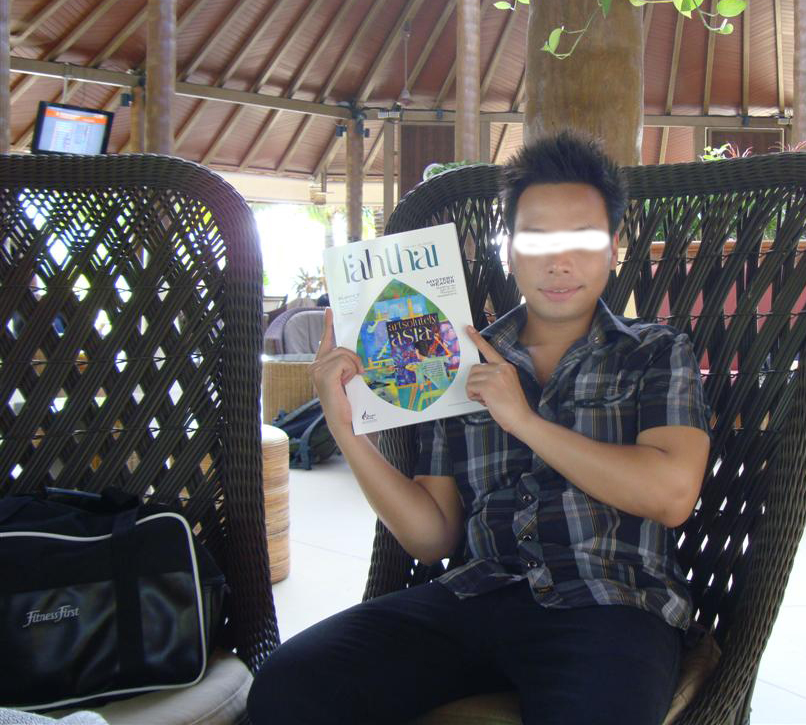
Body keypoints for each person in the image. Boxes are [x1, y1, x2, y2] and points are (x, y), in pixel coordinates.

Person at [247, 132, 711, 725]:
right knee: (289, 688)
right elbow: (433, 537)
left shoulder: (655, 351)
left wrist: (524, 421)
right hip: (474, 596)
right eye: (536, 239)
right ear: (509, 251)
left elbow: (670, 494)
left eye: (583, 239)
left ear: (614, 248)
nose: (559, 262)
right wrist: (346, 431)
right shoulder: (457, 361)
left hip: (611, 602)